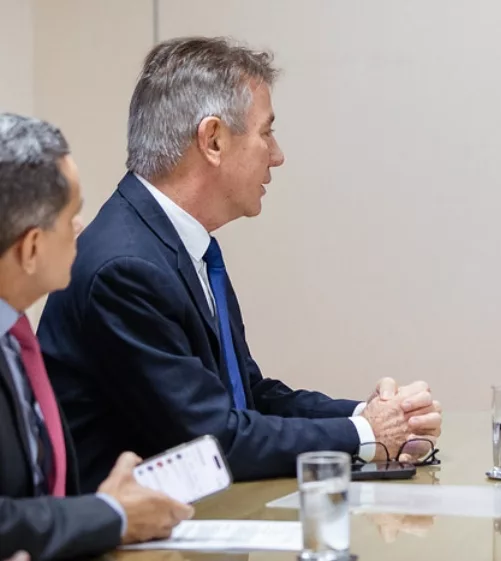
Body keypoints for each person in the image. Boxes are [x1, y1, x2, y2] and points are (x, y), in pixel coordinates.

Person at [37, 37, 442, 492]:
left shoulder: (179, 243)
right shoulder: (126, 267)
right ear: (213, 140)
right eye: (266, 132)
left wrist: (366, 418)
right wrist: (368, 435)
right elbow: (213, 439)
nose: (277, 154)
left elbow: (247, 395)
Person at [0, 113, 192, 561]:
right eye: (69, 216)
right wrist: (111, 514)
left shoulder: (14, 338)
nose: (81, 227)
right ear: (30, 248)